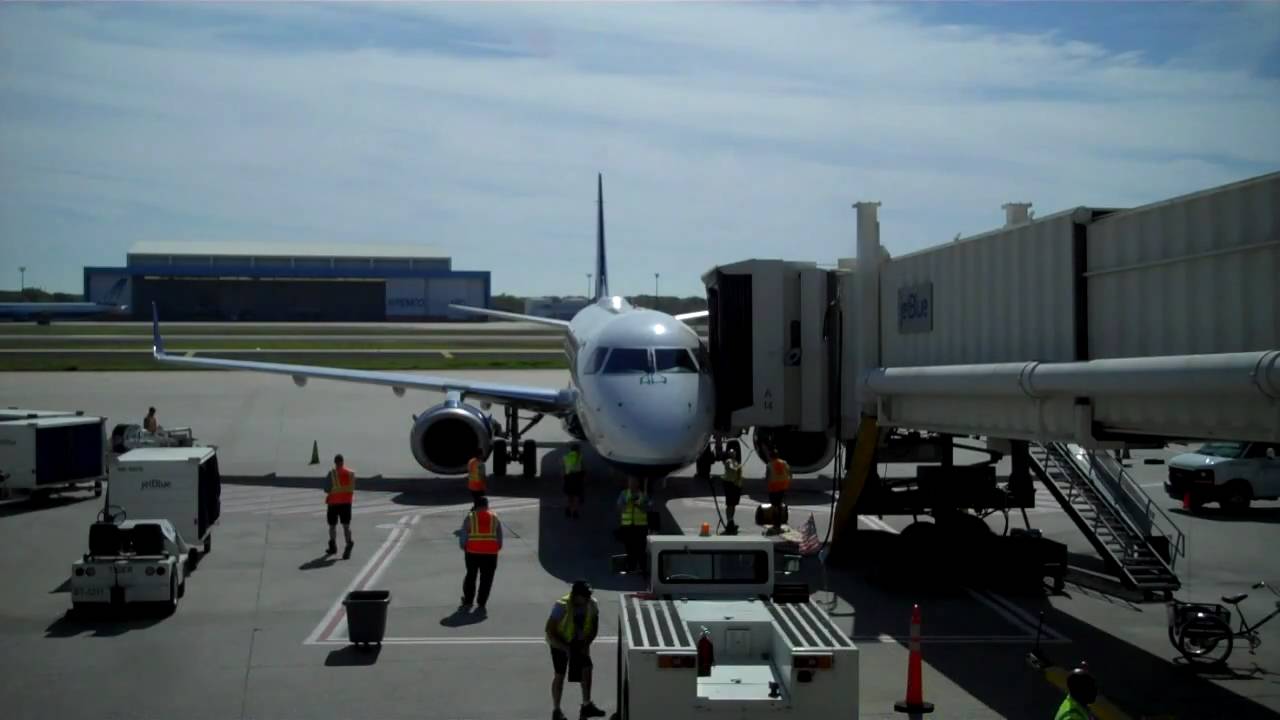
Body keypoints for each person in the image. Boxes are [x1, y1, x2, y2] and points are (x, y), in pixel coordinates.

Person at [545, 581, 607, 720]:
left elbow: (594, 626)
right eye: (584, 596)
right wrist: (565, 648)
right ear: (575, 595)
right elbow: (550, 630)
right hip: (559, 642)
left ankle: (586, 705)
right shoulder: (561, 606)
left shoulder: (592, 603)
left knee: (587, 669)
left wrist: (587, 644)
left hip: (579, 642)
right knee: (560, 675)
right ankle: (556, 710)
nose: (587, 598)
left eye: (589, 595)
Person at [458, 496, 502, 614]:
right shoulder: (494, 517)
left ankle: (468, 600)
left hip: (472, 552)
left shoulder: (470, 517)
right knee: (487, 578)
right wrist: (497, 547)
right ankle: (482, 602)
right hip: (491, 553)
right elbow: (499, 537)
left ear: (475, 505)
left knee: (471, 576)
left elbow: (464, 534)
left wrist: (464, 546)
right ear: (487, 505)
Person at [616, 476, 650, 572]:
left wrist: (639, 505)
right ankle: (631, 567)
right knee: (629, 547)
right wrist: (628, 503)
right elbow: (619, 507)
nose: (631, 485)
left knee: (641, 547)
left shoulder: (643, 495)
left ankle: (643, 567)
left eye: (634, 482)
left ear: (638, 484)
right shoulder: (624, 494)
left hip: (640, 526)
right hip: (627, 525)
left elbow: (648, 507)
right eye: (630, 482)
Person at [324, 454, 355, 557]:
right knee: (346, 526)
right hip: (346, 503)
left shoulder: (332, 474)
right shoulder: (351, 474)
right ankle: (349, 544)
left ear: (335, 462)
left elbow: (326, 489)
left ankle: (333, 547)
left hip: (333, 504)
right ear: (343, 461)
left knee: (332, 526)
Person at [765, 445, 791, 535]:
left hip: (774, 488)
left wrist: (767, 485)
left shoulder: (769, 465)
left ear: (771, 456)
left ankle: (776, 525)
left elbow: (767, 477)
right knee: (779, 506)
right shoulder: (784, 463)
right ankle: (778, 525)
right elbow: (789, 473)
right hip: (783, 487)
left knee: (775, 507)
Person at [721, 444, 744, 535]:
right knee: (730, 504)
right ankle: (729, 521)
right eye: (732, 453)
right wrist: (736, 468)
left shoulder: (736, 462)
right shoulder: (729, 461)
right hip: (730, 485)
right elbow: (731, 467)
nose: (733, 453)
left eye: (734, 452)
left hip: (736, 485)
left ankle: (731, 521)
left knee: (733, 504)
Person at [563, 442, 585, 519]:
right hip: (577, 477)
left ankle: (568, 508)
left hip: (568, 477)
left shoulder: (566, 457)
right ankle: (575, 511)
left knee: (569, 495)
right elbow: (583, 467)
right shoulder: (580, 456)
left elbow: (563, 468)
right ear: (578, 450)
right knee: (576, 495)